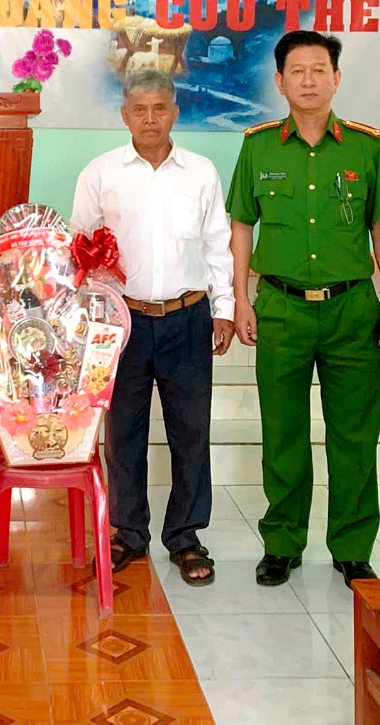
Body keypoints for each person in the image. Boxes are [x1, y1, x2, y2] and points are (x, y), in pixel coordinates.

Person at [226, 31, 380, 588]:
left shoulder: (364, 147)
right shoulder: (258, 146)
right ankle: (282, 543)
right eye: (298, 71)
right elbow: (241, 224)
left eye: (319, 70)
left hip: (352, 308)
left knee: (355, 434)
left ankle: (352, 547)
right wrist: (240, 298)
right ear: (279, 82)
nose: (309, 80)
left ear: (337, 78)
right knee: (283, 433)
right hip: (280, 307)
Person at [71, 69, 235, 587]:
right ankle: (128, 532)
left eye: (159, 108)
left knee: (191, 432)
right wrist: (90, 318)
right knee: (124, 433)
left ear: (174, 113)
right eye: (139, 110)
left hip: (188, 317)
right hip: (123, 322)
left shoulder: (201, 172)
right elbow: (79, 248)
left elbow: (218, 245)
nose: (149, 119)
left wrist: (225, 307)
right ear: (125, 115)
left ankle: (185, 535)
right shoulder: (100, 173)